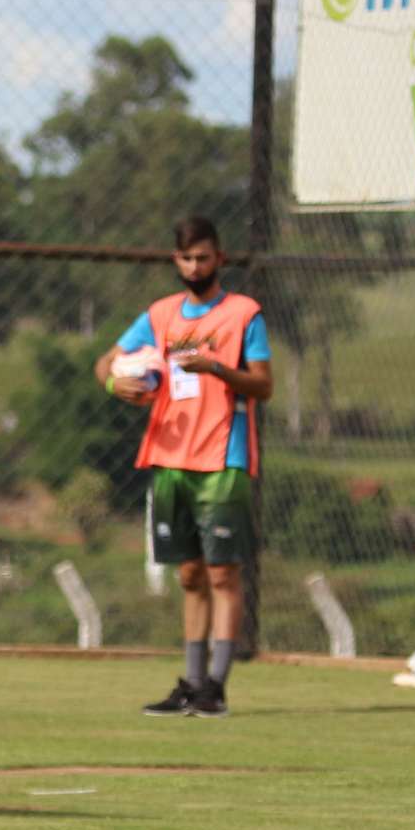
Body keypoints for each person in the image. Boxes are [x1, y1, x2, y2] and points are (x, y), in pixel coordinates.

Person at [93, 215, 273, 718]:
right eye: (186, 258)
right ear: (176, 261)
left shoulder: (242, 314)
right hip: (170, 459)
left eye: (203, 257)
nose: (195, 266)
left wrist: (216, 367)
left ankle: (216, 685)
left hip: (222, 458)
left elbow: (263, 384)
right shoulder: (161, 315)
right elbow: (106, 361)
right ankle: (190, 684)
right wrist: (116, 383)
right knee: (190, 575)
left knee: (222, 573)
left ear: (220, 259)